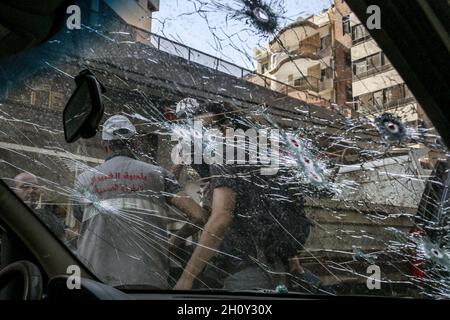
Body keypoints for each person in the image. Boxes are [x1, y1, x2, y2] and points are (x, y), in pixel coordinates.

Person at [171, 98, 311, 291]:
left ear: (227, 125)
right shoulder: (258, 153)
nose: (200, 134)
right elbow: (272, 210)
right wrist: (292, 259)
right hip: (272, 261)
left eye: (205, 128)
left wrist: (186, 278)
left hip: (248, 267)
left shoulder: (225, 152)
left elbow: (220, 219)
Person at [73, 114, 207, 289]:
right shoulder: (158, 175)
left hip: (97, 284)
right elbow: (199, 216)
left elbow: (79, 225)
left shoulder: (83, 180)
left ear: (104, 145)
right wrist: (173, 243)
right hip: (147, 281)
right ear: (135, 143)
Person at [13, 172, 66, 240]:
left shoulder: (45, 215)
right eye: (25, 187)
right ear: (14, 190)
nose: (31, 190)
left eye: (35, 187)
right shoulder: (9, 215)